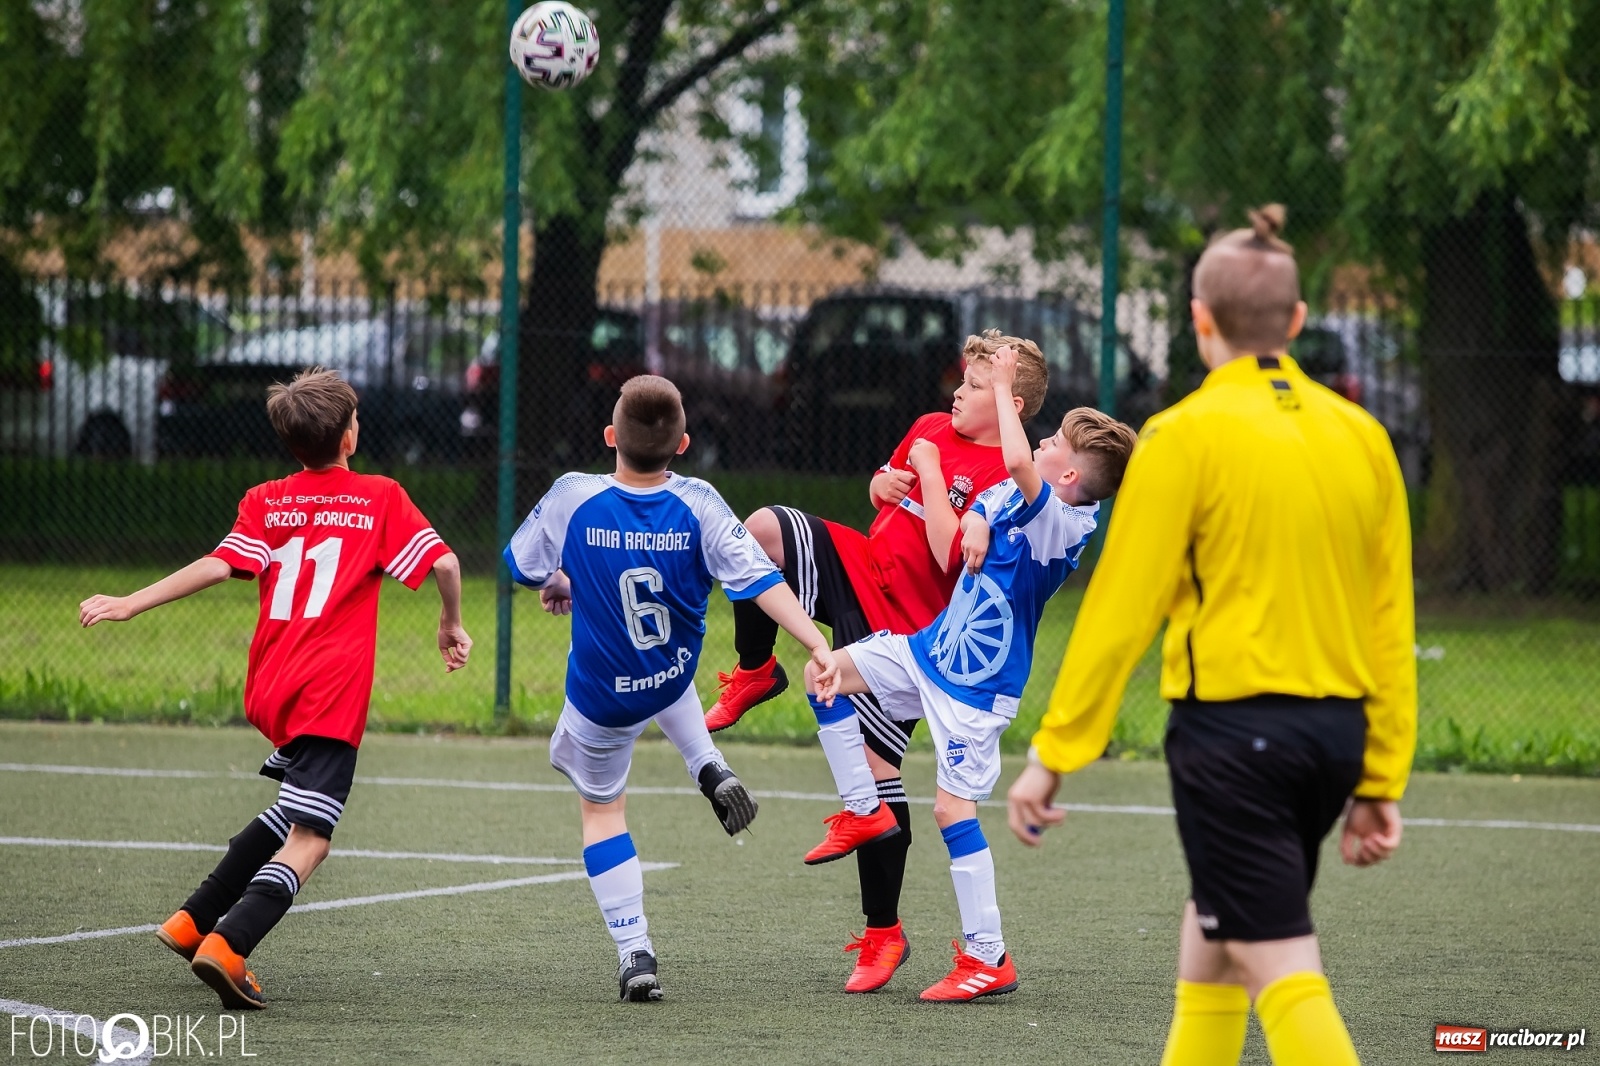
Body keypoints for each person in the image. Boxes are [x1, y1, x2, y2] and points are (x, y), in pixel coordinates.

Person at [1007, 206, 1416, 1065]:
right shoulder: (1365, 438)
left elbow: (1122, 609)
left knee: (1278, 961)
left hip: (1235, 741)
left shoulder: (1183, 435)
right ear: (1298, 323)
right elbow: (1390, 620)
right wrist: (1380, 773)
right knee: (1214, 940)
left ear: (1199, 322)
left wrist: (1055, 751)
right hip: (1333, 738)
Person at [79, 368, 471, 1010]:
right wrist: (449, 622)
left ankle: (194, 919)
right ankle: (231, 944)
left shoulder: (265, 499)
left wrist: (131, 602)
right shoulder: (378, 496)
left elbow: (217, 563)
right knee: (313, 837)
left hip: (272, 683)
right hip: (328, 695)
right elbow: (447, 562)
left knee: (291, 809)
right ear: (350, 435)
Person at [705, 330, 1049, 992]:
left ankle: (883, 932)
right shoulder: (928, 426)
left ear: (1012, 404)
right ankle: (755, 670)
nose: (959, 390)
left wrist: (926, 471)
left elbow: (951, 557)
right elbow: (880, 495)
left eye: (978, 386)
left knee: (875, 779)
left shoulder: (1005, 474)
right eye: (963, 378)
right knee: (761, 532)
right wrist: (886, 479)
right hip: (863, 569)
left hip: (913, 625)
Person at [800, 348, 1136, 1001]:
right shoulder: (1030, 487)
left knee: (953, 811)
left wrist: (1007, 385)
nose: (1040, 441)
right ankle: (863, 808)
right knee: (827, 673)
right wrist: (977, 518)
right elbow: (995, 492)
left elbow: (1015, 466)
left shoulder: (1063, 521)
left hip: (977, 690)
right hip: (930, 650)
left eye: (1053, 443)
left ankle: (988, 957)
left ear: (1066, 473)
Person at [503, 374, 840, 1002]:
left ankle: (635, 951)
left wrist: (560, 575)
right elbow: (761, 580)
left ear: (610, 437)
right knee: (664, 671)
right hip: (672, 673)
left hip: (603, 697)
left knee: (602, 811)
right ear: (683, 443)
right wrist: (817, 644)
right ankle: (705, 761)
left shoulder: (573, 496)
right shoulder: (700, 501)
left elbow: (520, 566)